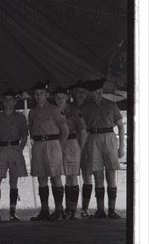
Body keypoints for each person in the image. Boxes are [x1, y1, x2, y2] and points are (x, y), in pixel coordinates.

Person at [80, 79, 125, 218]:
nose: (97, 94)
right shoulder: (85, 107)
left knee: (111, 175)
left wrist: (121, 146)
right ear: (90, 93)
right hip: (93, 139)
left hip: (109, 138)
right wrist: (83, 149)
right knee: (98, 175)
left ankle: (112, 210)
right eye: (94, 91)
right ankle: (100, 210)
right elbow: (83, 130)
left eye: (99, 91)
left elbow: (121, 126)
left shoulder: (111, 105)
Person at [28, 81, 69, 221]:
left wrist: (59, 146)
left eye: (41, 93)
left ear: (47, 95)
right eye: (36, 94)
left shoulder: (55, 110)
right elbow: (31, 130)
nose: (38, 96)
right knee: (41, 177)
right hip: (38, 144)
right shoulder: (32, 112)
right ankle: (44, 211)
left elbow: (65, 131)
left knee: (55, 176)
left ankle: (59, 211)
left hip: (53, 144)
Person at [0, 89, 28, 222]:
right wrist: (1, 146)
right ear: (2, 101)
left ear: (15, 101)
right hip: (1, 149)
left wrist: (19, 149)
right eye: (5, 99)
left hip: (15, 149)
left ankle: (12, 212)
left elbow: (24, 136)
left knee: (14, 181)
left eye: (11, 99)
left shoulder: (21, 117)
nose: (8, 102)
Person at [53, 85, 87, 220]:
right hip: (56, 144)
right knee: (60, 177)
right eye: (57, 97)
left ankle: (73, 210)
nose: (60, 99)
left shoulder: (74, 111)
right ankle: (64, 209)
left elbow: (83, 131)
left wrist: (80, 147)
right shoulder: (53, 111)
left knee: (72, 177)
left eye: (62, 97)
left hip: (72, 144)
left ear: (67, 98)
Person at [71, 80, 95, 216]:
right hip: (72, 144)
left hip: (87, 146)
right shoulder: (69, 107)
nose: (80, 94)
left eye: (83, 92)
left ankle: (85, 208)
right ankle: (70, 208)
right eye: (78, 91)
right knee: (71, 177)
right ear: (73, 92)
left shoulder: (91, 107)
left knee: (87, 176)